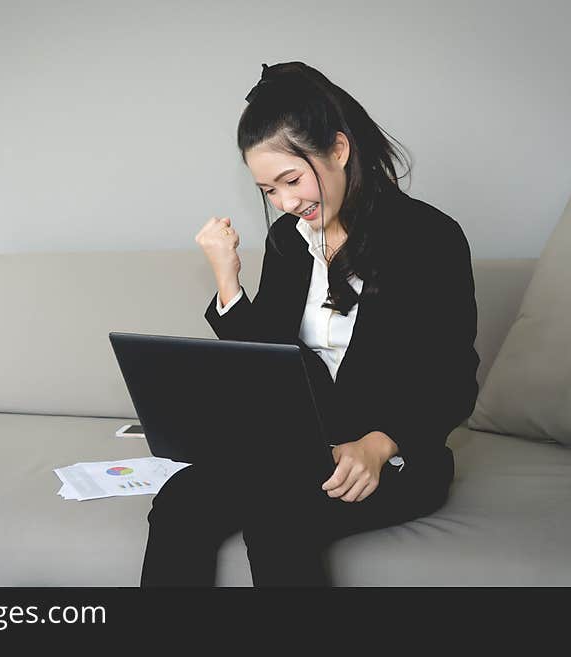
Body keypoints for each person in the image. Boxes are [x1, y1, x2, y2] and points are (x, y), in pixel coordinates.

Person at [140, 61, 480, 587]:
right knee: (180, 500)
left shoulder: (429, 238)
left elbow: (454, 377)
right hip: (296, 450)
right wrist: (229, 282)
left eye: (291, 180)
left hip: (391, 455)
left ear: (339, 151)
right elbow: (267, 367)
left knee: (278, 517)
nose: (286, 202)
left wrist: (381, 442)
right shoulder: (287, 242)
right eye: (269, 190)